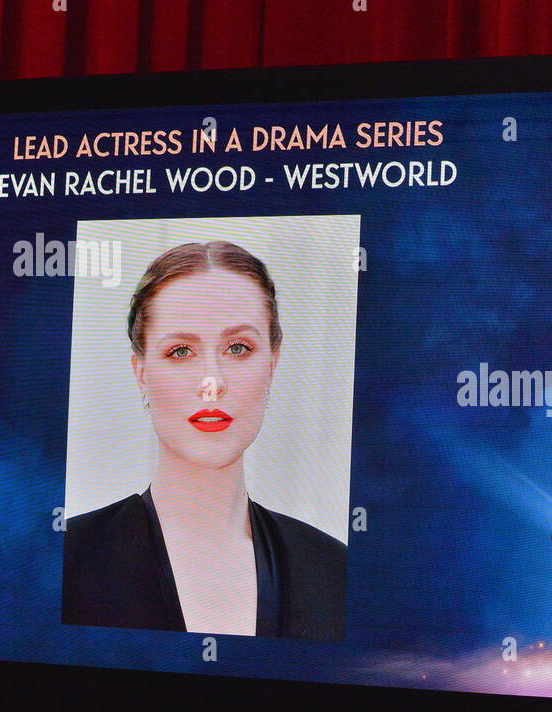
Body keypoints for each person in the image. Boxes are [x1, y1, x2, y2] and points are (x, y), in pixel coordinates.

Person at [61, 241, 346, 640]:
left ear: (273, 362)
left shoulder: (334, 571)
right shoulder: (63, 562)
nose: (212, 383)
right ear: (140, 370)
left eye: (237, 348)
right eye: (180, 351)